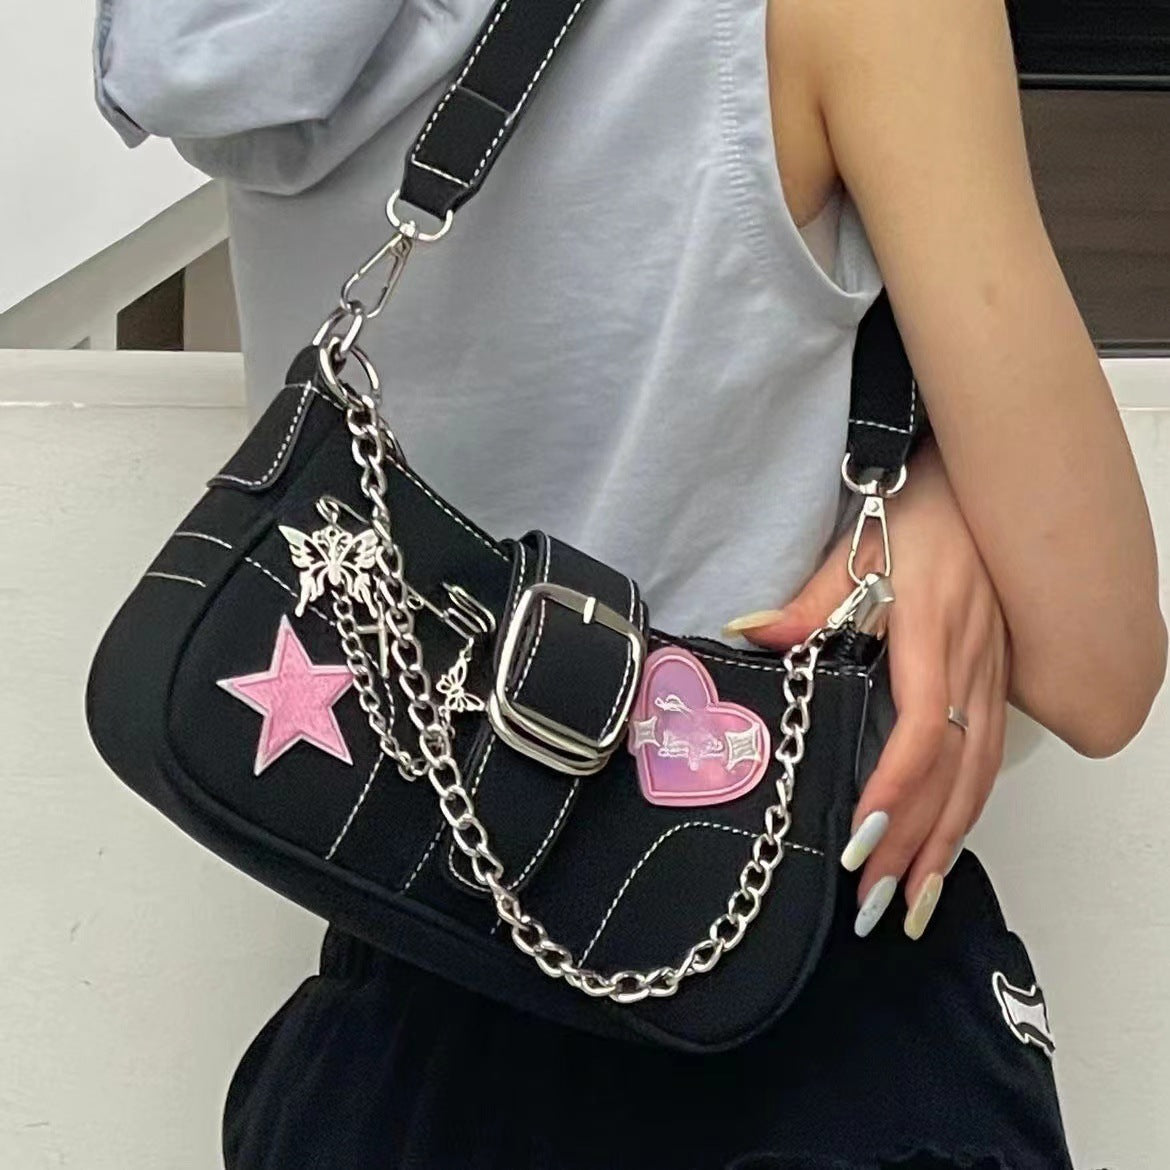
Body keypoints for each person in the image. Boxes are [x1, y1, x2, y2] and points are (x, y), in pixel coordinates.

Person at [95, 0, 1165, 1166]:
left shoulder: (221, 29)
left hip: (393, 1025)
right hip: (795, 993)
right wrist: (932, 483)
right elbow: (1098, 665)